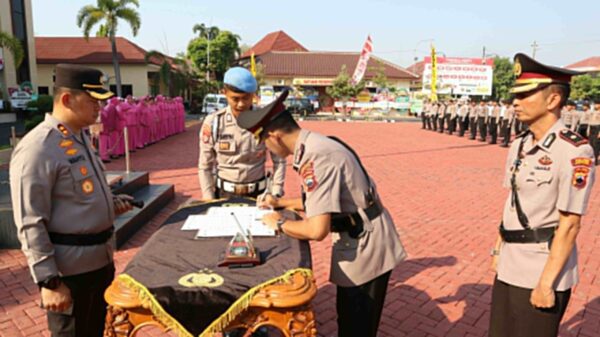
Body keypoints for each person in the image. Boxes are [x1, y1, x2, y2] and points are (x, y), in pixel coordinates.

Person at [237, 90, 407, 337]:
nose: (267, 147)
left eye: (264, 141)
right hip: (359, 236)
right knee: (349, 317)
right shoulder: (314, 144)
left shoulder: (317, 158)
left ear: (274, 135)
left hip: (367, 245)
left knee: (356, 324)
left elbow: (317, 230)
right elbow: (322, 202)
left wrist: (279, 223)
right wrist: (280, 203)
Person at [9, 64, 134, 337]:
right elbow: (30, 221)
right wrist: (49, 281)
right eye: (92, 100)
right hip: (69, 275)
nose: (99, 107)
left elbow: (78, 197)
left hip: (99, 264)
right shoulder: (39, 147)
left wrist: (111, 204)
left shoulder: (78, 137)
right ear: (66, 99)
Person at [488, 53, 596, 337]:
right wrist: (499, 248)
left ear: (553, 100)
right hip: (511, 262)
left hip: (542, 268)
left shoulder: (574, 152)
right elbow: (512, 201)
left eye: (525, 96)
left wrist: (546, 284)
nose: (515, 102)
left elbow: (570, 224)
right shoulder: (520, 144)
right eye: (515, 95)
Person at [198, 67, 286, 199]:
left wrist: (276, 192)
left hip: (259, 195)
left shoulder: (266, 120)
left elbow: (279, 160)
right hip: (224, 194)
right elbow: (205, 166)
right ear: (225, 93)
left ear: (253, 95)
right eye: (235, 98)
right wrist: (208, 197)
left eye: (246, 98)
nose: (241, 104)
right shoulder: (213, 123)